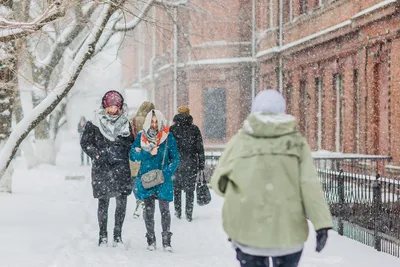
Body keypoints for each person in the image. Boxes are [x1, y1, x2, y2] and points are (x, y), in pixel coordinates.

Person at [210, 89, 333, 267]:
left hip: (248, 232)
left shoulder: (240, 141)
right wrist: (321, 224)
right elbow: (309, 185)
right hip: (288, 233)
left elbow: (218, 183)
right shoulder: (296, 142)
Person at [80, 90, 134, 247]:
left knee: (121, 202)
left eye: (115, 107)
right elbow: (85, 143)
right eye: (110, 107)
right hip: (102, 168)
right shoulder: (94, 123)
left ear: (120, 107)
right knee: (103, 203)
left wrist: (126, 149)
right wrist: (96, 154)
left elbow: (130, 142)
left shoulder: (125, 123)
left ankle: (117, 235)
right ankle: (102, 236)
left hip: (121, 167)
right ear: (105, 106)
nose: (112, 110)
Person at [130, 109, 180, 252]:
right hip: (146, 178)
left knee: (165, 210)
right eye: (152, 122)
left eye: (156, 122)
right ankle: (151, 240)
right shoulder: (141, 137)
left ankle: (166, 241)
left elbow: (176, 158)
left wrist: (166, 172)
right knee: (149, 211)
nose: (154, 125)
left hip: (163, 179)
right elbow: (133, 156)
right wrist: (147, 152)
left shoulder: (168, 137)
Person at [170, 106, 205, 222]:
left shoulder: (172, 129)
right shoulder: (194, 129)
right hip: (191, 162)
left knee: (177, 189)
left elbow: (169, 147)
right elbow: (200, 147)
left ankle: (177, 211)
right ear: (189, 114)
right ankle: (189, 213)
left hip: (177, 163)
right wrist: (201, 164)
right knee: (190, 190)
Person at [130, 101, 155, 218]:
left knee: (134, 178)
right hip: (148, 153)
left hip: (136, 152)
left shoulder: (133, 120)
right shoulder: (152, 121)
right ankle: (145, 198)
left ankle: (139, 198)